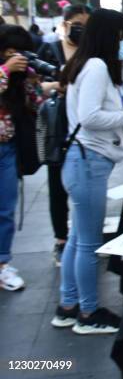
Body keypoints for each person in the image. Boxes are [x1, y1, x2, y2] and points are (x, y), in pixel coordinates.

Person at [50, 9, 123, 334]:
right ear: (111, 36)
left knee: (78, 238)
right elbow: (90, 116)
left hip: (82, 162)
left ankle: (68, 306)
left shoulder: (85, 64)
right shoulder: (95, 67)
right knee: (88, 243)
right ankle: (89, 314)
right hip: (87, 162)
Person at [38, 4, 91, 267]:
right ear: (66, 24)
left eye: (86, 25)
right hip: (57, 129)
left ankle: (82, 237)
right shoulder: (50, 50)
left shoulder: (89, 53)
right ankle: (61, 240)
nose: (82, 30)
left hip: (84, 129)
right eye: (78, 24)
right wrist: (56, 86)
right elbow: (33, 84)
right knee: (57, 188)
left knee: (84, 187)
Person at [0, 24, 45, 291]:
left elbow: (35, 102)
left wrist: (35, 81)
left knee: (6, 209)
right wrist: (5, 70)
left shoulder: (20, 76)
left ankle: (3, 263)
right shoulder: (5, 71)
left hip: (8, 148)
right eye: (9, 52)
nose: (14, 57)